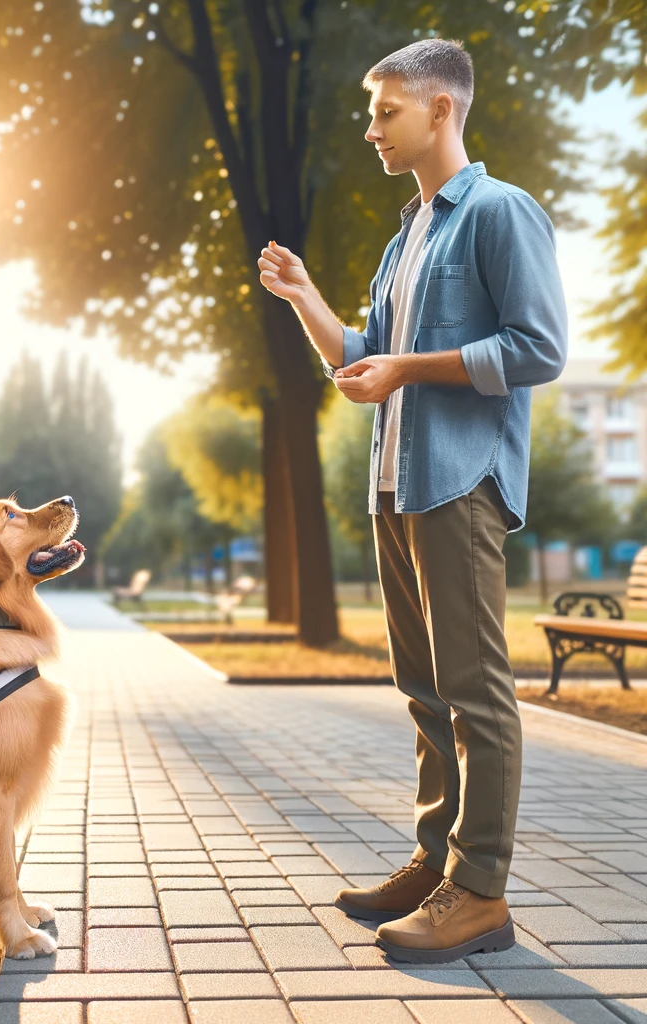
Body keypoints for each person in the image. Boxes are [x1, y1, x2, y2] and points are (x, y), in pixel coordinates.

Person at [258, 38, 566, 963]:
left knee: (477, 694)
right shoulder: (408, 235)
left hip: (460, 484)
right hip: (396, 486)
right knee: (425, 690)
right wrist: (308, 298)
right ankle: (435, 861)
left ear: (440, 109)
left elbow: (539, 348)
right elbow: (365, 354)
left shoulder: (499, 214)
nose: (371, 128)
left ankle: (478, 890)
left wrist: (409, 369)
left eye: (387, 110)